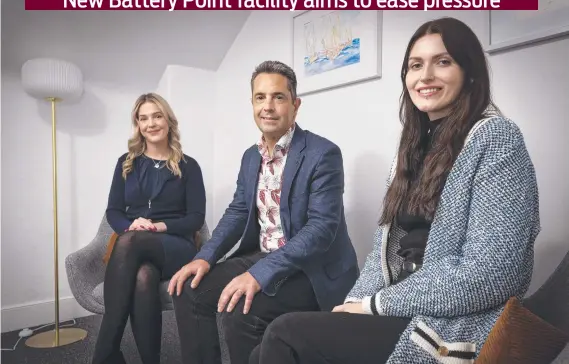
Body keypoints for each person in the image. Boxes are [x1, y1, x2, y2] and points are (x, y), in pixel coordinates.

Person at [250, 17, 541, 364]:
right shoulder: (413, 148)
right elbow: (381, 256)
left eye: (443, 62)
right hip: (399, 305)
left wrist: (376, 305)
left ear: (470, 71)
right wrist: (350, 307)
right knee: (260, 353)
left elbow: (492, 272)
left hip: (449, 323)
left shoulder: (497, 140)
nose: (425, 75)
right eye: (415, 65)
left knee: (285, 336)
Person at [168, 60, 359, 364]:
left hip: (312, 269)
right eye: (260, 97)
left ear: (295, 105)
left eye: (278, 97)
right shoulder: (250, 157)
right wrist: (205, 256)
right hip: (264, 254)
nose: (267, 106)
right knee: (187, 290)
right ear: (252, 103)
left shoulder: (323, 154)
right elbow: (238, 210)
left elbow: (320, 230)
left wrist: (258, 275)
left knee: (241, 312)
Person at [92, 93, 206, 364]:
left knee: (132, 241)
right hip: (137, 246)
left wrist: (158, 227)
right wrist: (131, 224)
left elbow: (195, 218)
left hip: (176, 245)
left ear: (168, 121)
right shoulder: (126, 162)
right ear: (138, 124)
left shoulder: (189, 166)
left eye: (156, 116)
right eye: (143, 118)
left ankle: (105, 353)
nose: (150, 123)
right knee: (144, 277)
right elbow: (114, 211)